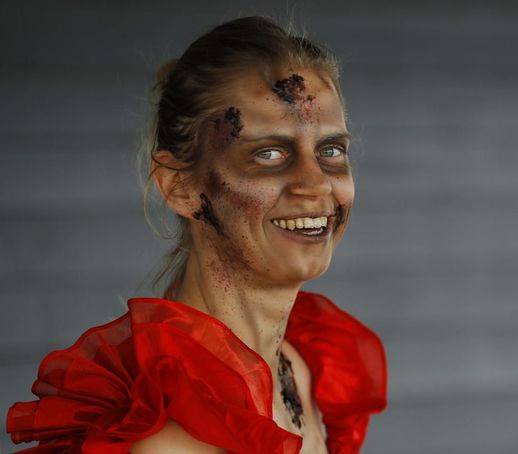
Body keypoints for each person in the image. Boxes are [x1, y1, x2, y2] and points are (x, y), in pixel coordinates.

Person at [6, 16, 387, 454]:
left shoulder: (299, 367)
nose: (317, 184)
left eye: (331, 151)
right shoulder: (170, 436)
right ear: (180, 187)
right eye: (268, 153)